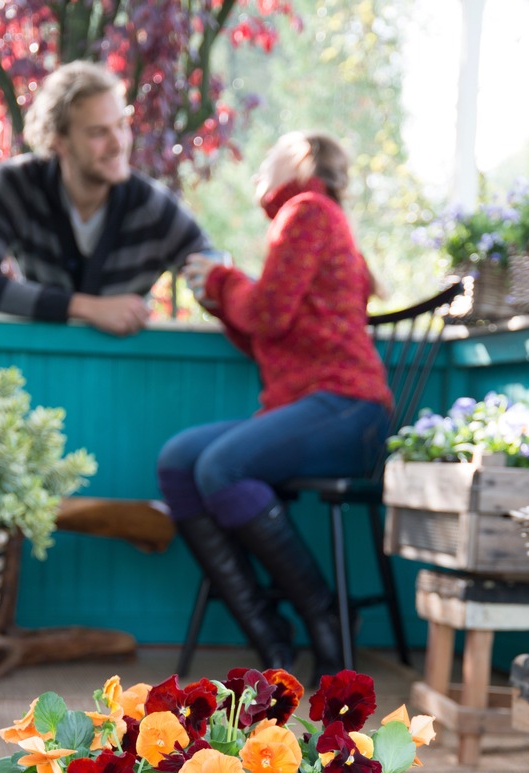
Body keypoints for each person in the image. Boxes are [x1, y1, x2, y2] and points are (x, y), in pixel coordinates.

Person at [158, 131, 393, 679]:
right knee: (177, 461)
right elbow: (271, 335)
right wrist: (220, 300)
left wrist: (223, 279)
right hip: (314, 408)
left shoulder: (307, 211)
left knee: (220, 466)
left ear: (302, 162)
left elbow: (265, 315)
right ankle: (270, 634)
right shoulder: (309, 220)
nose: (261, 163)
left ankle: (325, 616)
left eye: (272, 155)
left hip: (349, 407)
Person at [0, 61, 212, 335]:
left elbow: (213, 268)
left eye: (122, 125)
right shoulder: (17, 186)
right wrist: (87, 308)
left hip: (120, 370)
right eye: (98, 132)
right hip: (39, 364)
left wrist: (222, 283)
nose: (118, 143)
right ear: (58, 141)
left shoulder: (151, 205)